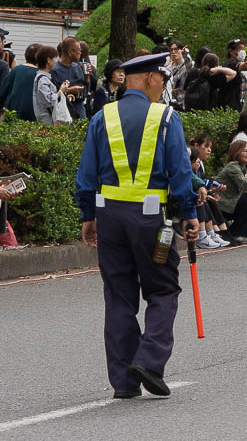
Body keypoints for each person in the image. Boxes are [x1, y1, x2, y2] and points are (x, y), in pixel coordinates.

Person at [74, 51, 198, 398]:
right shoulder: (166, 117)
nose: (163, 84)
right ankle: (148, 360)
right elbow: (180, 172)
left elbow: (86, 175)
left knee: (118, 296)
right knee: (162, 289)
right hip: (151, 220)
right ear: (147, 78)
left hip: (109, 217)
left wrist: (88, 216)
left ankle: (124, 383)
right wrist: (190, 212)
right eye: (162, 78)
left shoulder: (102, 116)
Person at [2, 44, 39, 121]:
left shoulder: (15, 70)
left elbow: (3, 91)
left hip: (12, 113)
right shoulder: (39, 74)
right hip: (32, 116)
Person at [33, 45, 68, 125]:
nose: (56, 61)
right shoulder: (42, 79)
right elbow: (48, 101)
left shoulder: (44, 77)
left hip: (48, 121)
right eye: (55, 58)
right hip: (46, 123)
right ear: (48, 60)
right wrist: (60, 91)